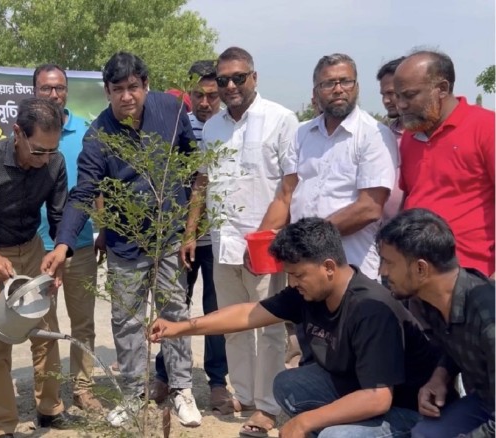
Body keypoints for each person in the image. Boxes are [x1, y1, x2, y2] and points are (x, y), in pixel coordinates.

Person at [151, 218, 440, 437]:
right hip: (360, 389)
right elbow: (248, 314)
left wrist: (305, 421)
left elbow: (378, 398)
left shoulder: (370, 309)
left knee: (334, 435)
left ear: (328, 266)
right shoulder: (311, 291)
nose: (292, 283)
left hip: (407, 410)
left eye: (298, 274)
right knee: (288, 385)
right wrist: (179, 328)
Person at [41, 51, 201, 428]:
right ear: (107, 92)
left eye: (133, 87)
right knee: (127, 320)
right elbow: (83, 194)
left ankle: (181, 389)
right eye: (117, 90)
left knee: (175, 312)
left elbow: (194, 170)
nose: (126, 96)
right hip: (125, 246)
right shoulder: (98, 135)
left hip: (169, 237)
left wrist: (190, 229)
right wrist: (64, 244)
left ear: (145, 85)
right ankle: (133, 394)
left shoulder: (172, 110)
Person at [182, 47, 298, 435]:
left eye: (239, 78)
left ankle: (267, 406)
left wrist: (263, 237)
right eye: (223, 79)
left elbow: (289, 185)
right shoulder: (213, 126)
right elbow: (203, 181)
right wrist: (190, 232)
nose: (230, 85)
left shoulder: (281, 120)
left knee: (268, 328)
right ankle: (245, 395)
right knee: (231, 325)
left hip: (263, 247)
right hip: (222, 242)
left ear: (254, 78)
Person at [0, 97, 73, 437]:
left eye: (52, 150)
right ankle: (2, 424)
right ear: (17, 133)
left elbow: (60, 215)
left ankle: (50, 409)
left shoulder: (54, 162)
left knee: (46, 331)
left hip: (34, 249)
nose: (45, 160)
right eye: (38, 151)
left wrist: (60, 255)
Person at [258, 53, 399, 280]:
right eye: (328, 84)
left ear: (357, 87)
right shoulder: (302, 133)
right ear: (315, 92)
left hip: (351, 266)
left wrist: (306, 238)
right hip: (302, 265)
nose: (338, 89)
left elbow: (369, 208)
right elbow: (286, 195)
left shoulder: (374, 135)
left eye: (345, 81)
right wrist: (262, 240)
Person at [154, 59, 230, 415]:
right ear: (188, 93)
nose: (205, 102)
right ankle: (164, 375)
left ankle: (217, 381)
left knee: (216, 311)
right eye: (198, 94)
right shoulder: (172, 129)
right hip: (175, 239)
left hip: (215, 239)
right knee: (173, 309)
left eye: (212, 95)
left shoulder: (228, 130)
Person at [377, 208, 495, 437]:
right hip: (485, 401)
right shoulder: (432, 299)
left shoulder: (490, 320)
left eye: (389, 263)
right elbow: (458, 343)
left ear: (421, 268)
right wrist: (440, 376)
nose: (382, 271)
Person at [33, 64, 102, 411]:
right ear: (35, 91)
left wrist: (103, 229)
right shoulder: (26, 133)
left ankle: (83, 387)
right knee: (44, 325)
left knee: (82, 322)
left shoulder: (87, 133)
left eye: (60, 88)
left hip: (80, 245)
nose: (54, 95)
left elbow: (99, 185)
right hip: (37, 246)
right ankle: (49, 394)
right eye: (46, 89)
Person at [393, 50, 495, 277]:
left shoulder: (486, 127)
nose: (401, 104)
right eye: (398, 96)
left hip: (471, 275)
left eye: (409, 95)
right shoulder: (411, 137)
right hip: (416, 276)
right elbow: (411, 197)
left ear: (442, 89)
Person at [376, 56, 406, 221]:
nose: (386, 101)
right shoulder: (383, 135)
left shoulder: (426, 136)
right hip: (385, 236)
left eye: (391, 93)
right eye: (383, 94)